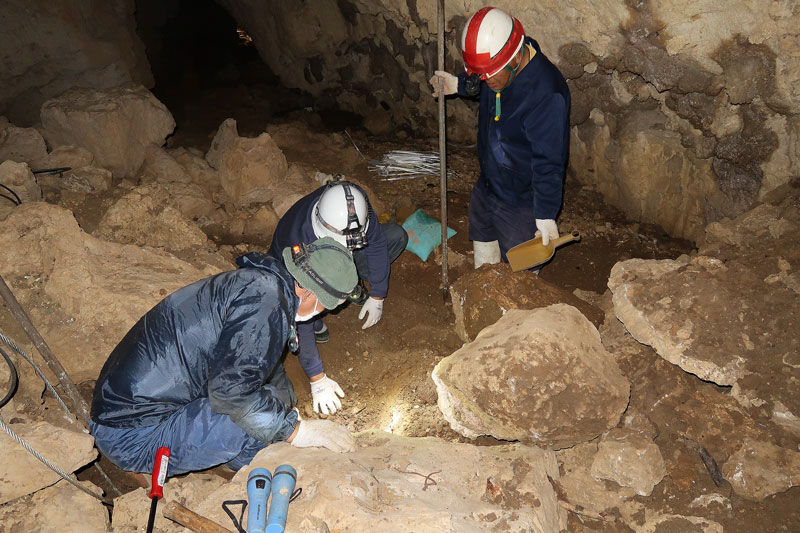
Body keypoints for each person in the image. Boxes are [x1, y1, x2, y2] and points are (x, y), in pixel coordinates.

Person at [89, 237, 359, 475]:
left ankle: (248, 440)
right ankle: (244, 465)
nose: (323, 313)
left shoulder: (262, 285)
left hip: (121, 405)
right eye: (325, 306)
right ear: (310, 292)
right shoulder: (266, 305)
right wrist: (296, 431)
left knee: (273, 403)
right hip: (133, 436)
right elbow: (231, 396)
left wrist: (286, 403)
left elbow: (261, 362)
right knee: (252, 423)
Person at [430, 6, 570, 268]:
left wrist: (545, 213)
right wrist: (459, 84)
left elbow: (549, 160)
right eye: (479, 75)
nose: (484, 81)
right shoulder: (499, 65)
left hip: (521, 197)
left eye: (488, 76)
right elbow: (483, 80)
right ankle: (482, 291)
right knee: (482, 232)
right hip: (490, 181)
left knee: (522, 266)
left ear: (515, 59)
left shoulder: (547, 95)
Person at [267, 178, 408, 415]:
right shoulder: (301, 244)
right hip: (288, 269)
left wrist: (378, 295)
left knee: (395, 235)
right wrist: (317, 378)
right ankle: (320, 315)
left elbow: (375, 244)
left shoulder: (354, 204)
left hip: (329, 252)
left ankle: (350, 286)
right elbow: (301, 316)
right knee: (307, 319)